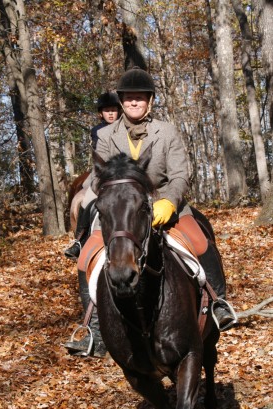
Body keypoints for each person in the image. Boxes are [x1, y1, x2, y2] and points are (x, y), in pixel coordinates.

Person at [64, 66, 237, 358]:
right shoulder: (106, 135)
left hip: (164, 205)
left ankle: (219, 304)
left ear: (150, 101)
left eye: (139, 98)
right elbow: (97, 175)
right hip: (120, 211)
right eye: (129, 98)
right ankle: (92, 328)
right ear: (121, 102)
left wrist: (168, 201)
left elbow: (181, 173)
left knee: (200, 242)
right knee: (85, 257)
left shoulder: (166, 131)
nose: (134, 103)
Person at [64, 92, 121, 260]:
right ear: (100, 113)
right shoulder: (97, 130)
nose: (110, 113)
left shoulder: (126, 127)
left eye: (113, 110)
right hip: (102, 170)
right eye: (107, 111)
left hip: (123, 169)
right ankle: (79, 240)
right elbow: (102, 155)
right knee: (85, 197)